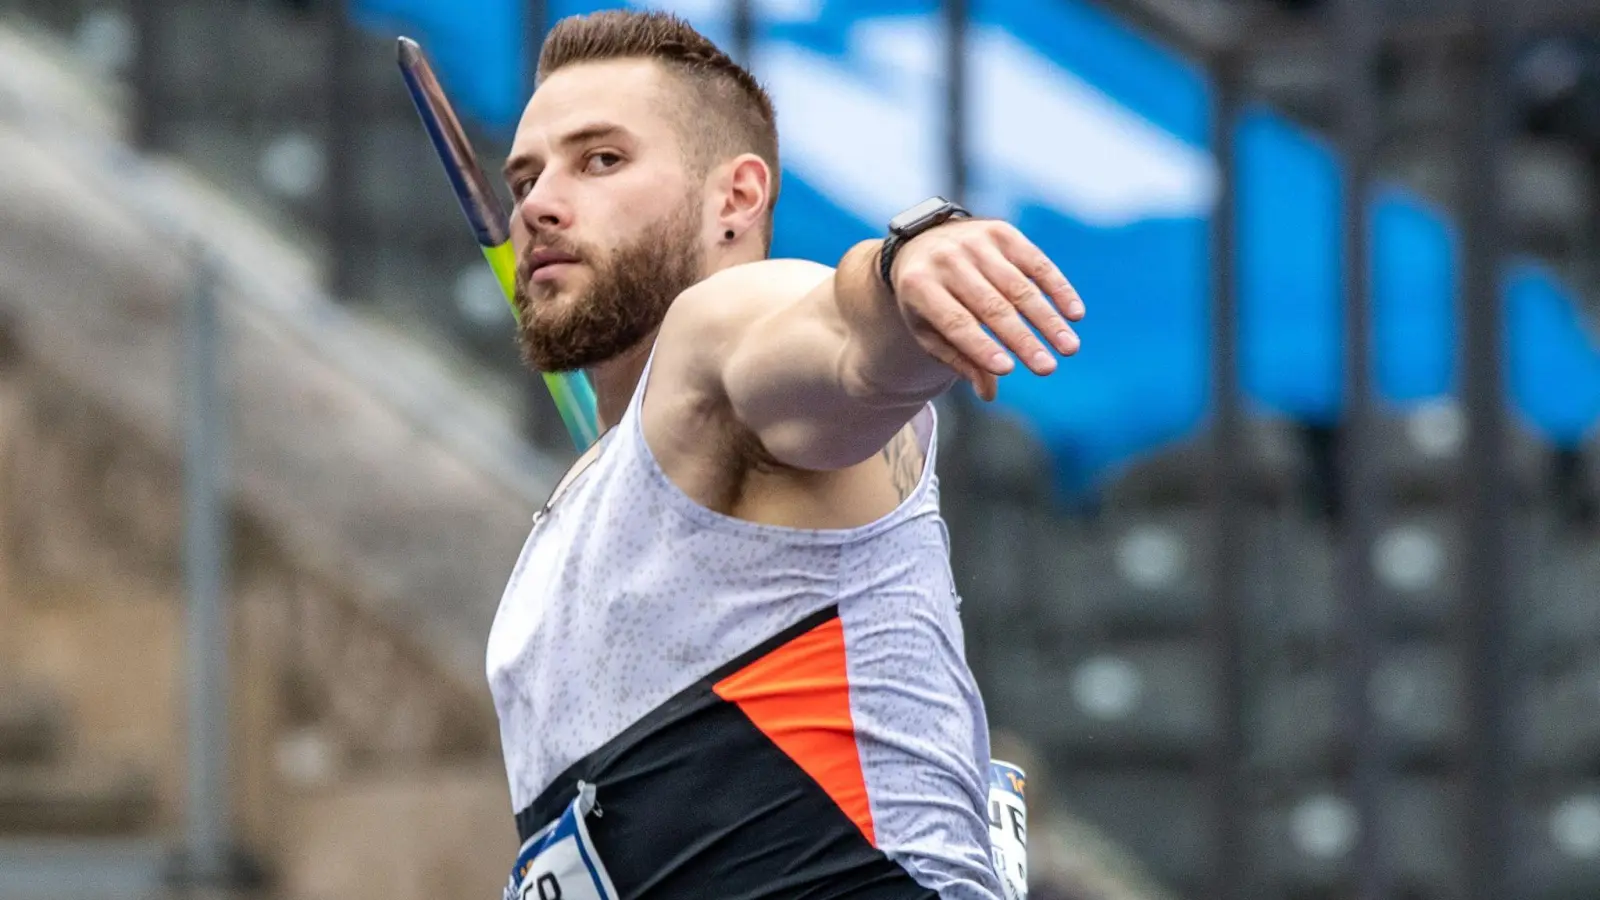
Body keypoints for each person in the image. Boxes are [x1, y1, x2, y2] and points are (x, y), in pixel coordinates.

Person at [484, 10, 1083, 900]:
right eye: (525, 177)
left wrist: (903, 270)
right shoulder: (596, 492)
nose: (538, 203)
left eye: (601, 160)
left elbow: (837, 341)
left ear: (736, 197)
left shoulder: (719, 336)